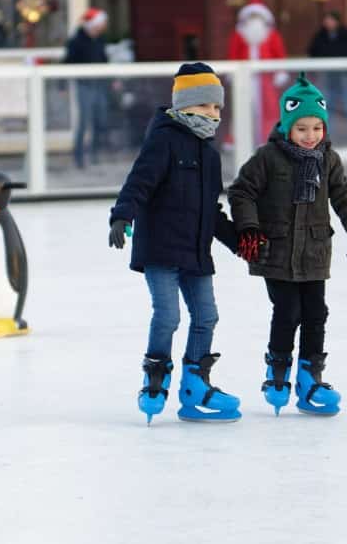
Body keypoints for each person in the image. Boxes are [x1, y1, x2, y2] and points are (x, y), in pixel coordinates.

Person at [227, 73, 347, 417]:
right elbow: (241, 192)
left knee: (316, 313)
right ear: (287, 127)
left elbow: (345, 196)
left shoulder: (329, 159)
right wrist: (250, 229)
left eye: (317, 128)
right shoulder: (267, 157)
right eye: (302, 128)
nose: (310, 136)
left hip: (314, 251)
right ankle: (278, 372)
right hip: (276, 250)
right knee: (288, 311)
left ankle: (310, 377)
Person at [108, 63, 241, 424]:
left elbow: (212, 210)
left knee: (207, 316)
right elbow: (140, 181)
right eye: (205, 107)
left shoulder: (210, 155)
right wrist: (122, 215)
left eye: (217, 108)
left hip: (196, 251)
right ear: (184, 107)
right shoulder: (164, 140)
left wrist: (238, 242)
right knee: (168, 315)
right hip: (162, 249)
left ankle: (195, 383)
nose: (213, 115)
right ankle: (155, 376)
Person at [227, 0, 289, 144]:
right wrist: (232, 72)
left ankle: (269, 137)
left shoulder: (272, 35)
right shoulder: (239, 34)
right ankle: (238, 139)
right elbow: (233, 54)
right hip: (244, 77)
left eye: (258, 17)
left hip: (265, 77)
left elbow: (279, 54)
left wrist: (280, 71)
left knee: (269, 108)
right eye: (252, 17)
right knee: (242, 107)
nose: (255, 20)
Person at [308, 11, 347, 142]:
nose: (328, 23)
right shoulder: (320, 36)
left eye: (330, 20)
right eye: (326, 20)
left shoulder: (346, 35)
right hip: (327, 78)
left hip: (344, 77)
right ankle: (326, 136)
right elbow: (313, 53)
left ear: (337, 21)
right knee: (326, 107)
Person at [64, 8, 108, 169]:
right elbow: (67, 62)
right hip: (84, 85)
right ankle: (79, 156)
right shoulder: (76, 41)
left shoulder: (100, 40)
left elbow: (104, 60)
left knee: (100, 119)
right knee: (84, 121)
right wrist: (63, 86)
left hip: (100, 84)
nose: (104, 26)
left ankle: (95, 154)